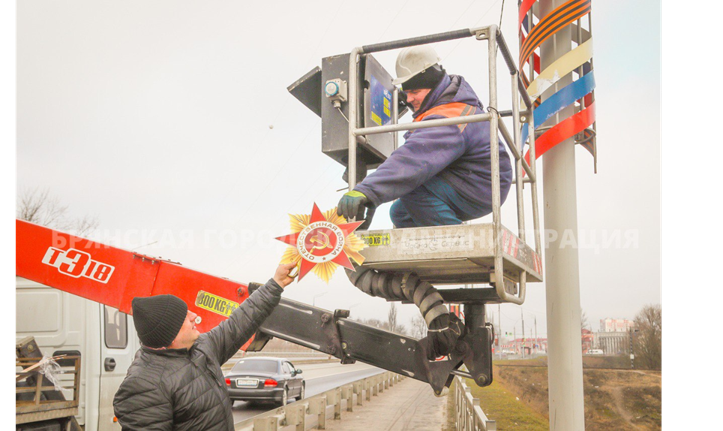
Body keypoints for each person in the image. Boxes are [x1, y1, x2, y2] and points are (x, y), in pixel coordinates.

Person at [337, 45, 512, 228]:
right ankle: (432, 252)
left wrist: (367, 190)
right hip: (469, 180)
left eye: (415, 92)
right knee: (401, 212)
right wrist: (373, 194)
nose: (409, 99)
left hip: (480, 186)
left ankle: (459, 243)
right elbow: (413, 159)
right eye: (407, 93)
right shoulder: (445, 106)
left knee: (414, 190)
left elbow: (413, 159)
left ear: (433, 85)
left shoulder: (450, 116)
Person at [113, 262, 297, 431]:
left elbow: (240, 322)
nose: (194, 316)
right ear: (169, 332)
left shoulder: (201, 348)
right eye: (184, 315)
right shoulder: (144, 385)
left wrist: (276, 283)